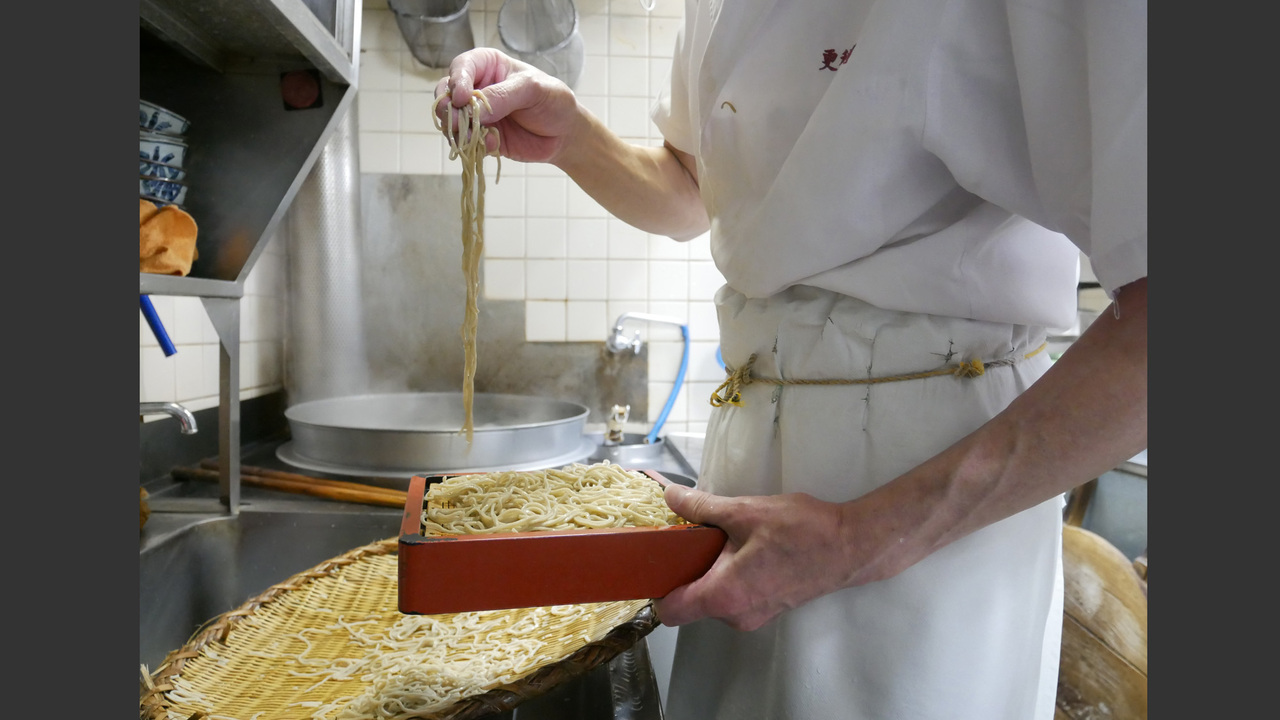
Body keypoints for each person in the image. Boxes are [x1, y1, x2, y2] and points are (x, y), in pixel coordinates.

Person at [432, 0, 1146, 717]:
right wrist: (574, 136)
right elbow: (695, 192)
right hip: (749, 457)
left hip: (923, 489)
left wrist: (856, 537)